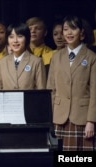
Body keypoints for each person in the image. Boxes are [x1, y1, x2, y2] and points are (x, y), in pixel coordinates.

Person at [47, 15, 96, 151]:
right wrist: (50, 117)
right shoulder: (56, 57)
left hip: (81, 116)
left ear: (81, 32)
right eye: (66, 29)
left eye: (73, 29)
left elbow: (94, 92)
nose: (69, 33)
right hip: (59, 116)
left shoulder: (91, 57)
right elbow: (51, 89)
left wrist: (91, 121)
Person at [0, 23, 46, 90]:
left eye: (19, 36)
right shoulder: (2, 63)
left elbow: (41, 91)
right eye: (11, 37)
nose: (15, 41)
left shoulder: (36, 62)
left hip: (29, 100)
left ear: (27, 38)